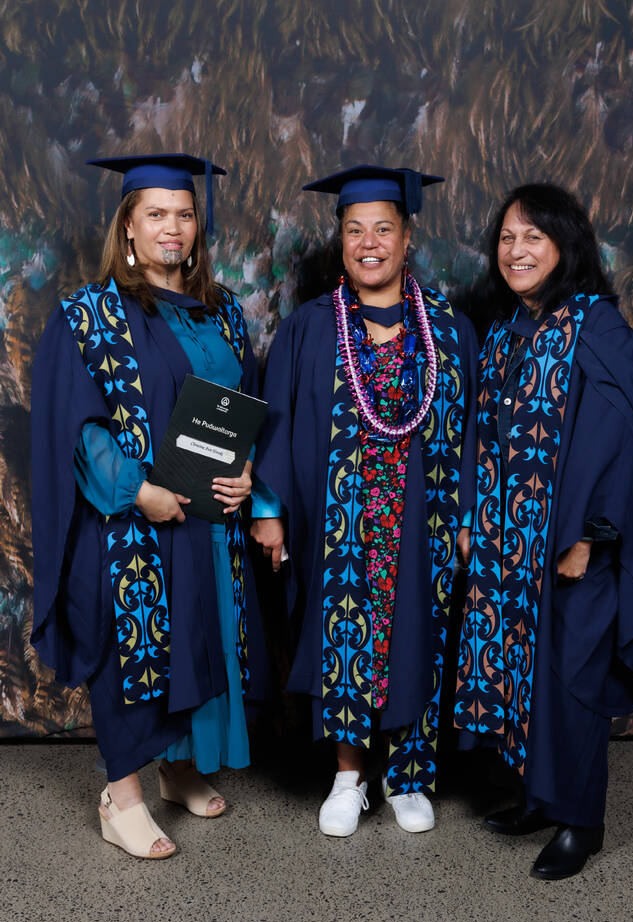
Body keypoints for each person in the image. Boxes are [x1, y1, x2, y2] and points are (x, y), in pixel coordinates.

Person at [31, 153, 275, 859]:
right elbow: (75, 427)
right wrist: (138, 491)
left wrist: (246, 472)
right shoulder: (88, 315)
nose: (173, 228)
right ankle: (123, 795)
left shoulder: (224, 309)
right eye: (156, 215)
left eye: (185, 214)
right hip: (132, 526)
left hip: (208, 521)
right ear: (129, 229)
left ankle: (178, 766)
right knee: (133, 646)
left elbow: (242, 408)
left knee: (202, 640)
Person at [454, 182, 633, 879]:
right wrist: (471, 517)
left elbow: (621, 443)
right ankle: (538, 796)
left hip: (570, 545)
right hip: (504, 546)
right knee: (523, 675)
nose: (516, 251)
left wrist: (586, 536)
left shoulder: (595, 327)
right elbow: (477, 434)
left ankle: (581, 822)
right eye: (506, 239)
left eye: (534, 238)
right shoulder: (502, 328)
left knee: (571, 678)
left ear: (564, 248)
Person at [251, 165, 478, 836]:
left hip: (422, 521)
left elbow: (470, 431)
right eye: (354, 230)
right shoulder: (308, 330)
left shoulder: (448, 329)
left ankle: (407, 775)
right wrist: (268, 509)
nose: (368, 242)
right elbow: (279, 421)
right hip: (339, 525)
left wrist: (465, 515)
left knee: (419, 638)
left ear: (408, 237)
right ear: (339, 240)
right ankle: (348, 775)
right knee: (342, 639)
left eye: (383, 228)